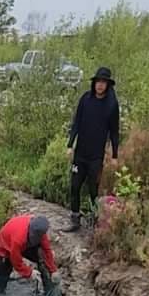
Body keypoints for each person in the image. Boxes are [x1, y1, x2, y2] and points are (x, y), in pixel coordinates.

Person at [63, 67, 121, 233]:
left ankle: (95, 221)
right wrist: (70, 145)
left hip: (96, 156)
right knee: (75, 186)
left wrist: (115, 155)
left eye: (103, 82)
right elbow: (76, 123)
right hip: (80, 153)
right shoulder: (85, 99)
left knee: (93, 189)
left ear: (108, 85)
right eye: (98, 82)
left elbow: (114, 131)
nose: (100, 85)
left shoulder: (111, 105)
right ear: (94, 83)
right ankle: (75, 219)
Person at [0, 213, 59, 294]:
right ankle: (0, 295)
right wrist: (29, 272)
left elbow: (47, 250)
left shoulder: (41, 233)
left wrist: (53, 270)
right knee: (2, 279)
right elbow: (15, 261)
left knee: (42, 257)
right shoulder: (18, 239)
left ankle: (48, 290)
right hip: (5, 247)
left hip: (25, 245)